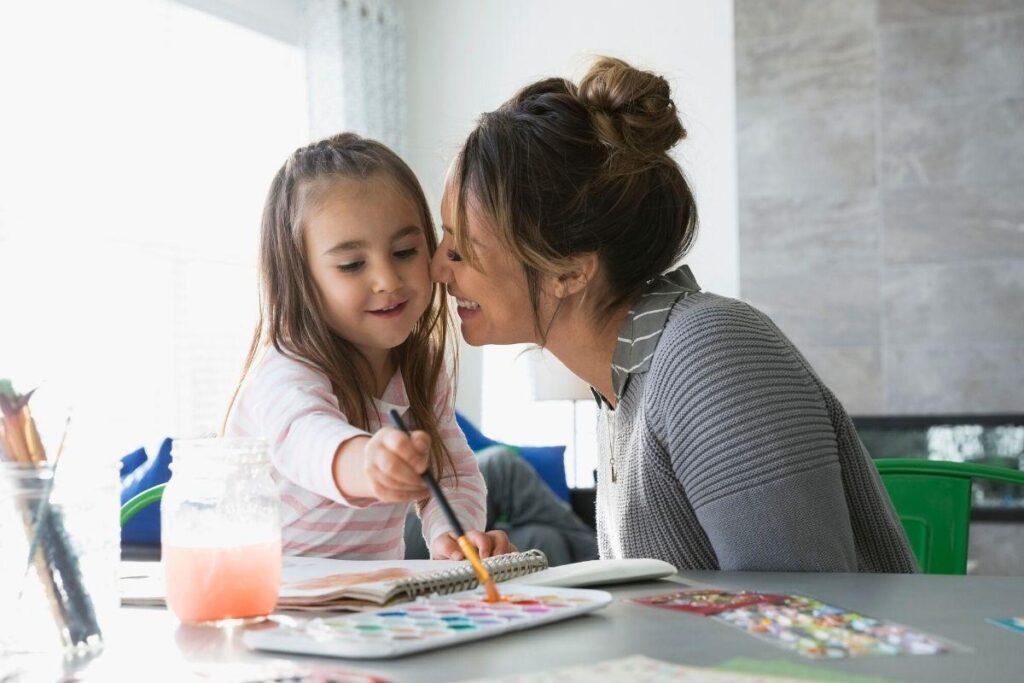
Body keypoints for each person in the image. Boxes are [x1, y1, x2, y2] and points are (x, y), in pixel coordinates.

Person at [429, 57, 917, 572]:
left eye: (461, 250)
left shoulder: (710, 356)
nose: (438, 269)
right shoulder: (623, 390)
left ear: (569, 273)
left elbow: (804, 616)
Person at [225, 133, 511, 561]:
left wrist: (456, 536)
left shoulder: (421, 367)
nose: (388, 280)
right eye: (352, 265)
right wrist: (366, 462)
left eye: (404, 251)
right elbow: (307, 439)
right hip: (274, 602)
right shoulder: (285, 369)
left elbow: (451, 472)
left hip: (370, 600)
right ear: (299, 279)